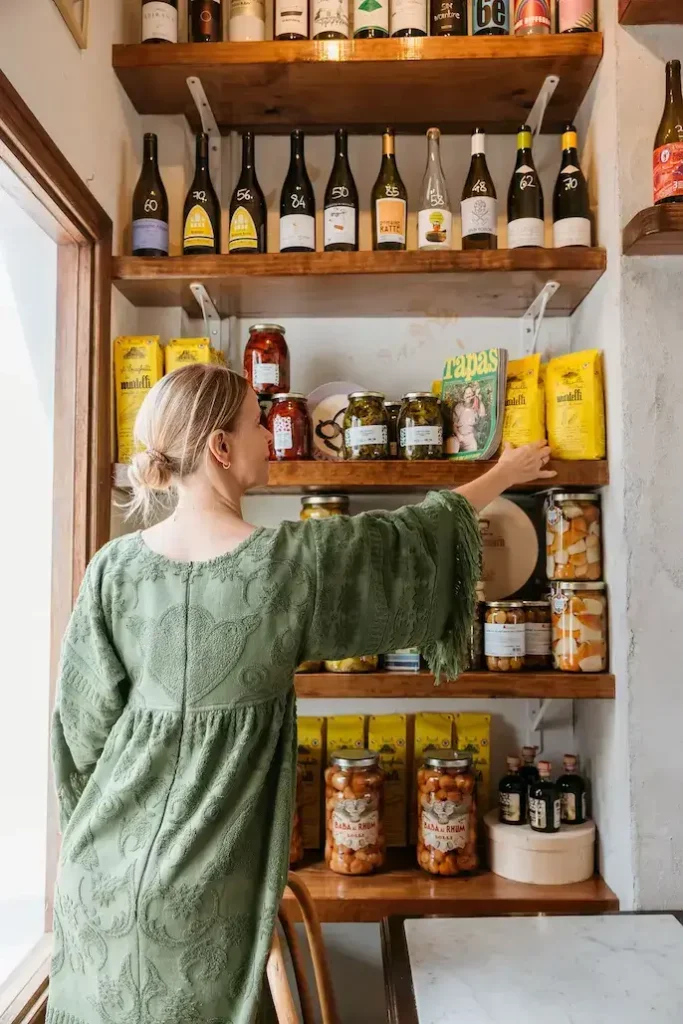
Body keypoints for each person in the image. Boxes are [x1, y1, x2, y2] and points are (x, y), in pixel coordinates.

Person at [47, 364, 555, 1024]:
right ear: (220, 448)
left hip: (96, 882)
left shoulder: (112, 568)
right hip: (206, 903)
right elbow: (411, 540)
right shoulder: (289, 565)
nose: (269, 435)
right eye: (256, 422)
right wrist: (504, 473)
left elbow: (78, 736)